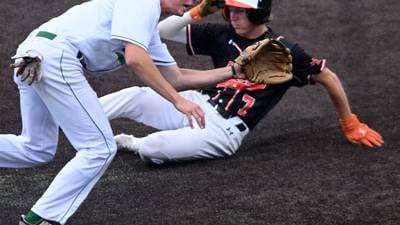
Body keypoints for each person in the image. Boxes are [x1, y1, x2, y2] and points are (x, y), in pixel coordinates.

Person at [1, 0, 243, 224]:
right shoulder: (143, 3)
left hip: (35, 56)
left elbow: (176, 77)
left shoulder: (146, 27)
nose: (193, 1)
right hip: (56, 58)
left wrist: (232, 72)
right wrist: (178, 102)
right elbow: (135, 59)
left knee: (37, 148)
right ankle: (39, 220)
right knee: (99, 149)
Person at [99, 0, 384, 165]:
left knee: (152, 149)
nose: (232, 15)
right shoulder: (221, 34)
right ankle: (81, 114)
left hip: (225, 132)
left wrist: (349, 121)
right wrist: (196, 12)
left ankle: (132, 143)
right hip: (196, 106)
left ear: (258, 13)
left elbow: (328, 77)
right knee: (135, 95)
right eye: (228, 10)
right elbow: (158, 33)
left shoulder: (283, 50)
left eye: (240, 10)